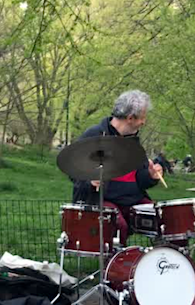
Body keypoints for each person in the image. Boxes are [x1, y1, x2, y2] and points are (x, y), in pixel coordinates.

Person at [70, 90, 164, 246]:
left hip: (132, 199)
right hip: (102, 199)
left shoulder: (133, 142)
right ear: (130, 118)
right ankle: (115, 267)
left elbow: (139, 180)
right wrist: (90, 182)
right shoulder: (95, 135)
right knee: (118, 226)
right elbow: (73, 168)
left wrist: (150, 175)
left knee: (164, 220)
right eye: (142, 117)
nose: (144, 122)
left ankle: (165, 264)